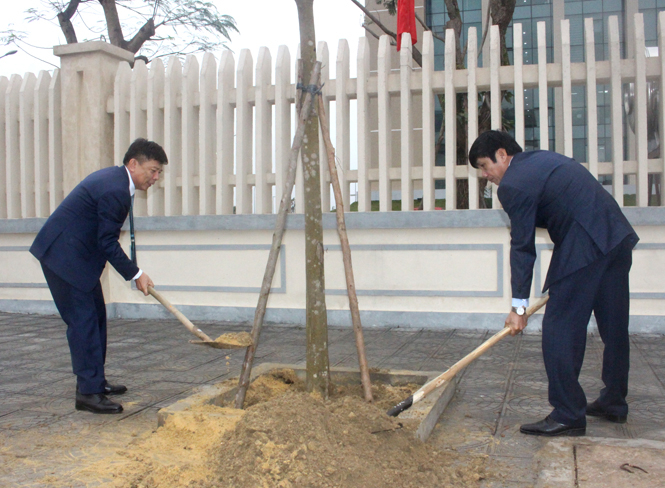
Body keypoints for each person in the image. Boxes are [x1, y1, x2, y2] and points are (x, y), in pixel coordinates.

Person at [468, 131, 639, 437]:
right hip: (615, 236)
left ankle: (568, 413)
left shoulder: (513, 184)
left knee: (559, 328)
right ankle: (614, 401)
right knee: (614, 328)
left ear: (502, 155)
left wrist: (518, 307)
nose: (485, 175)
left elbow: (522, 247)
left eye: (485, 165)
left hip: (585, 246)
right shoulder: (540, 160)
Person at [30, 138, 167, 414]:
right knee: (84, 323)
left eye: (159, 173)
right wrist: (136, 273)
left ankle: (95, 380)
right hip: (64, 258)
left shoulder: (117, 183)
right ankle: (88, 394)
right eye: (152, 170)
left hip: (75, 257)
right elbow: (107, 241)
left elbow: (102, 237)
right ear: (133, 163)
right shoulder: (115, 189)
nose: (155, 177)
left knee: (96, 318)